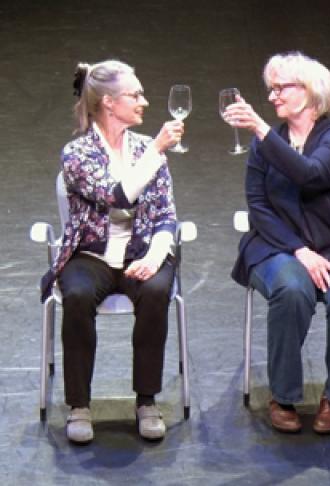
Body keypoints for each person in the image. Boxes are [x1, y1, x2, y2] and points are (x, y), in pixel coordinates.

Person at [228, 52, 330, 434]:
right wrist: (299, 251)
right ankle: (282, 394)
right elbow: (259, 208)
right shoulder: (264, 145)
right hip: (278, 245)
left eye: (281, 88)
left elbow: (311, 175)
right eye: (271, 89)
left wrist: (263, 132)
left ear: (311, 92)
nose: (272, 96)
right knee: (292, 286)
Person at [41, 59, 185, 444]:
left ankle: (147, 400)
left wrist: (156, 255)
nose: (144, 102)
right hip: (91, 256)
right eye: (135, 94)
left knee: (156, 291)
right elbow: (117, 194)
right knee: (77, 294)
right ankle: (79, 405)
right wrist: (156, 148)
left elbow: (166, 215)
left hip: (142, 251)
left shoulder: (146, 149)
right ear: (108, 102)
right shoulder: (77, 154)